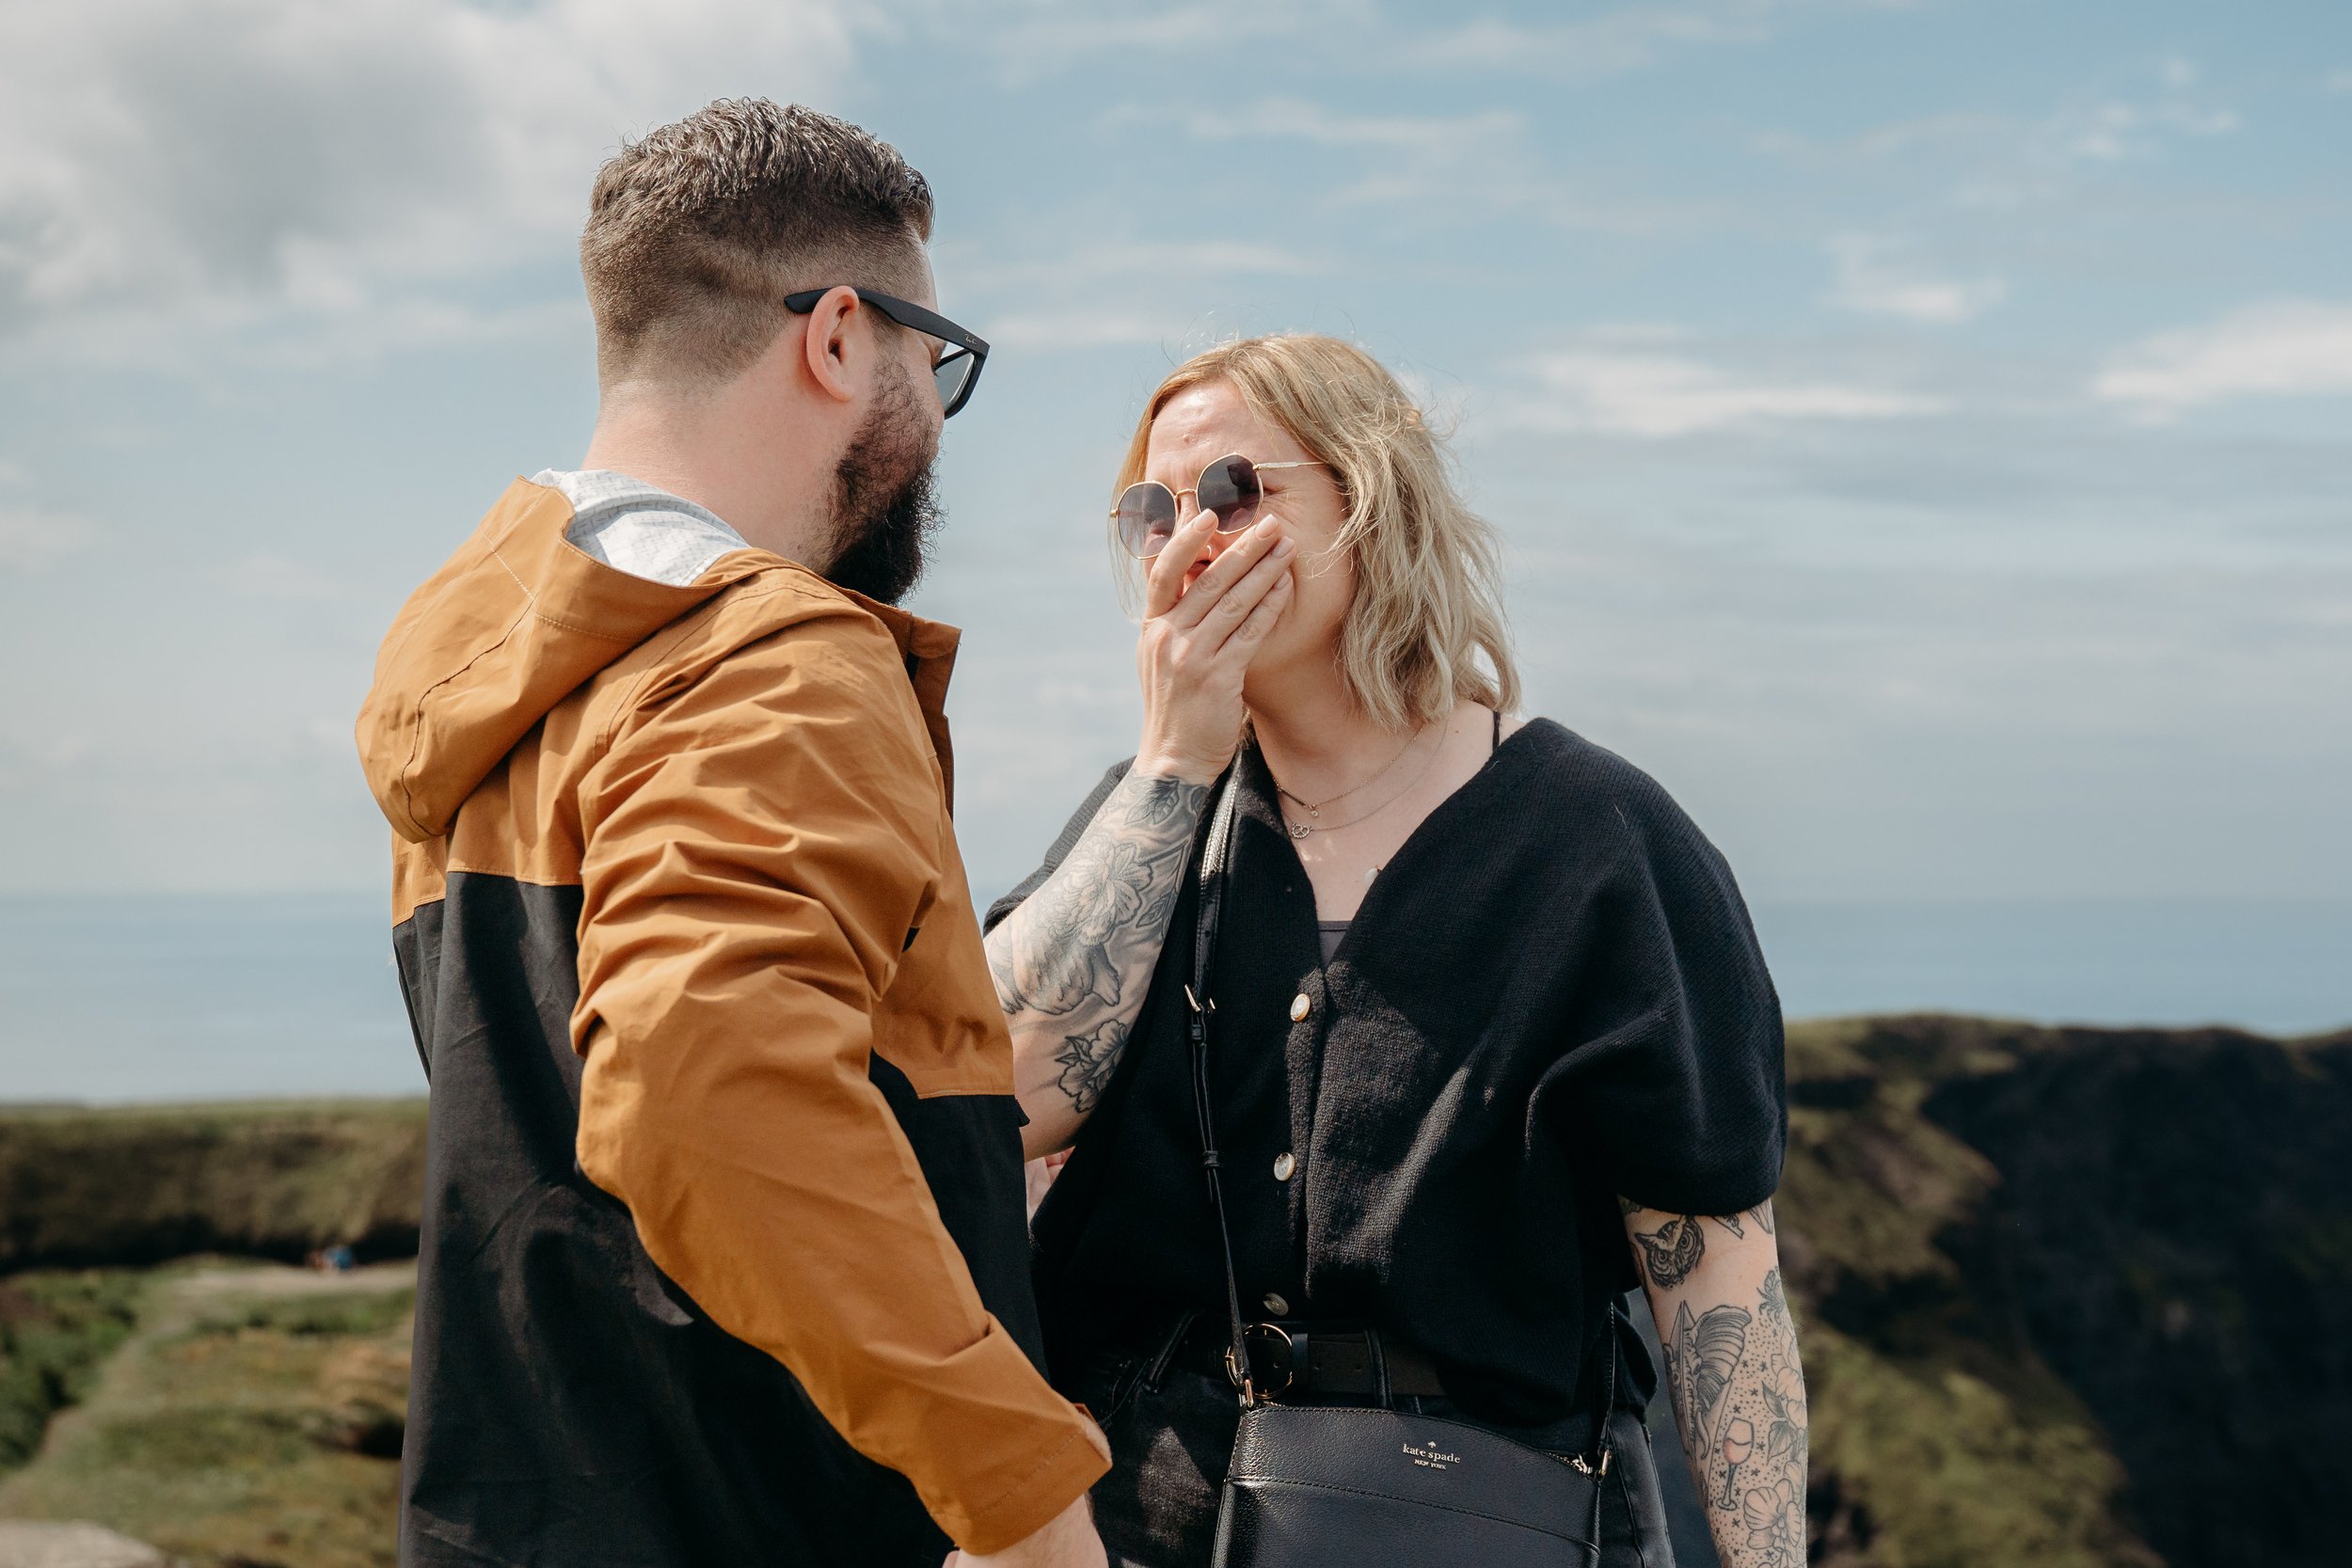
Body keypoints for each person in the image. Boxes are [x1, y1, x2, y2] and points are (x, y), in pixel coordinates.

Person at [354, 101, 1108, 1568]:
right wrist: (1018, 1493)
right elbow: (703, 1079)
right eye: (928, 360)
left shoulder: (498, 677)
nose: (930, 415)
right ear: (837, 337)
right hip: (769, 1519)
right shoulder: (772, 661)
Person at [983, 335, 1804, 1568]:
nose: (1188, 540)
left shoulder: (1600, 846)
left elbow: (1719, 1286)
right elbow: (992, 1098)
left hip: (1480, 1514)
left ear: (1372, 506)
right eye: (1152, 510)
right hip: (1145, 1517)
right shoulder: (1149, 829)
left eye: (1236, 490)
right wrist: (1170, 763)